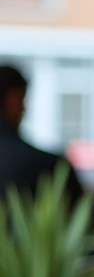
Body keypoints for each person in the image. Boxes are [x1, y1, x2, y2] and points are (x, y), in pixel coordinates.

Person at [0, 64, 88, 208]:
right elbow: (86, 217)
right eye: (23, 100)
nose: (24, 109)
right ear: (12, 99)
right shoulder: (50, 167)